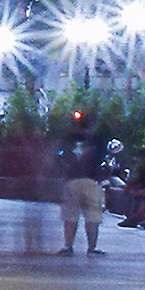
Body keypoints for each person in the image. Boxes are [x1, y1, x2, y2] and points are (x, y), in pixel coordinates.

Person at [53, 109, 110, 255]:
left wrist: (62, 172)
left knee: (70, 215)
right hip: (92, 181)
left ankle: (68, 246)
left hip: (72, 180)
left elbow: (58, 157)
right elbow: (104, 159)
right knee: (93, 215)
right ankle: (92, 247)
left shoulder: (67, 138)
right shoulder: (98, 139)